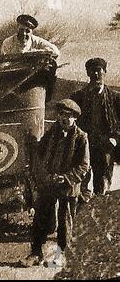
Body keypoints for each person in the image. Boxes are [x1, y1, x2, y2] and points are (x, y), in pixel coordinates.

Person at [20, 99, 90, 268]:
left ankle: (61, 255)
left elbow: (84, 165)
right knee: (40, 217)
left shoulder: (81, 137)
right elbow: (40, 150)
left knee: (65, 221)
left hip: (68, 185)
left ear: (75, 118)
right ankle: (36, 253)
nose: (63, 119)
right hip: (50, 183)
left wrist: (66, 178)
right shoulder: (53, 132)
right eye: (61, 115)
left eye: (68, 116)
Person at [70, 58, 120, 197]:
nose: (96, 74)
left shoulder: (115, 98)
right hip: (84, 145)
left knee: (103, 185)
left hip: (105, 146)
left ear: (105, 72)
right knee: (81, 183)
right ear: (88, 73)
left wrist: (115, 139)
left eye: (99, 70)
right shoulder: (78, 97)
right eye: (92, 71)